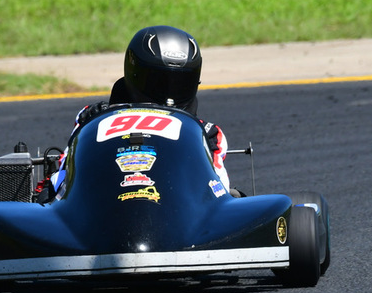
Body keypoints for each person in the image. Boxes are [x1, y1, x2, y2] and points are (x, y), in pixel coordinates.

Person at [37, 25, 231, 201]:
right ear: (134, 74)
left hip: (177, 207)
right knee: (47, 196)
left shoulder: (208, 133)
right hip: (100, 203)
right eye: (158, 83)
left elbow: (220, 191)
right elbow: (64, 175)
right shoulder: (92, 116)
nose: (169, 93)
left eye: (180, 84)